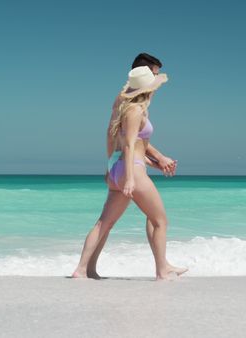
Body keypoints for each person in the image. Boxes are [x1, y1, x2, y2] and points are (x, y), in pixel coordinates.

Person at [71, 55, 187, 280]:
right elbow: (130, 143)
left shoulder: (123, 102)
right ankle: (162, 269)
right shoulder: (135, 109)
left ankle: (84, 269)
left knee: (105, 222)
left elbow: (118, 138)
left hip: (118, 166)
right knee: (159, 220)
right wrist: (131, 177)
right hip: (129, 168)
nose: (156, 80)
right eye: (153, 75)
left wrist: (153, 160)